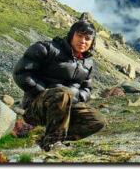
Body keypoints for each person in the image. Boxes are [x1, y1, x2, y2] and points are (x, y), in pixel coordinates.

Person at [13, 20, 106, 151]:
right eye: (79, 36)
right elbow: (21, 73)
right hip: (37, 107)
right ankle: (52, 143)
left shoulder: (88, 63)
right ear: (71, 35)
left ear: (92, 42)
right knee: (61, 94)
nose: (83, 41)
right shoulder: (47, 48)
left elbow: (87, 89)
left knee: (97, 120)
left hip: (66, 108)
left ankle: (45, 137)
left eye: (87, 38)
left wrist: (75, 98)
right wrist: (43, 91)